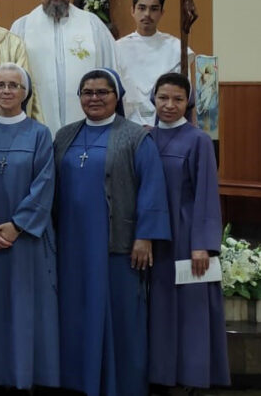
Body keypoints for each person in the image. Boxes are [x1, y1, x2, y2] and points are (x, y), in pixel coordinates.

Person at [53, 69, 170, 396]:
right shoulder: (65, 135)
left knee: (120, 315)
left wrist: (145, 236)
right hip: (72, 243)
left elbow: (152, 188)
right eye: (87, 92)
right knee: (75, 313)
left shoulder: (135, 137)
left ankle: (121, 385)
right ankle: (77, 382)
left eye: (102, 92)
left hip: (117, 243)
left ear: (116, 96)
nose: (94, 98)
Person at [0, 63, 60, 391]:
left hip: (27, 239)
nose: (7, 91)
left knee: (27, 306)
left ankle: (28, 375)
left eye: (14, 85)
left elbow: (45, 184)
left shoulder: (40, 134)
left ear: (25, 92)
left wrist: (18, 225)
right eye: (0, 85)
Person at [147, 73, 230, 390]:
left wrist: (202, 244)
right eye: (163, 98)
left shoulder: (198, 140)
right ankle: (160, 374)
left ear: (189, 102)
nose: (169, 105)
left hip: (185, 236)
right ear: (153, 99)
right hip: (153, 237)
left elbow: (206, 193)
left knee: (189, 308)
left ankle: (191, 376)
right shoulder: (146, 137)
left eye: (178, 99)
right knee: (159, 308)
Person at [11, 0, 116, 134]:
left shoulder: (92, 24)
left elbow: (111, 70)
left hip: (88, 126)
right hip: (36, 126)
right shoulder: (22, 27)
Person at [116, 0, 191, 126]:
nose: (147, 14)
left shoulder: (175, 48)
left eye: (154, 9)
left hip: (166, 121)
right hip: (127, 121)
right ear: (132, 11)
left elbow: (182, 90)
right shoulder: (117, 48)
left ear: (162, 13)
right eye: (142, 8)